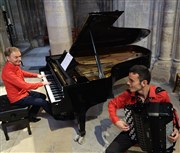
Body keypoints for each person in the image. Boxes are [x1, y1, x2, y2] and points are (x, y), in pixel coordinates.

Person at [105, 65, 180, 153]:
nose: (128, 83)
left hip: (155, 133)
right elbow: (112, 104)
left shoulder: (161, 95)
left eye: (131, 80)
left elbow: (171, 112)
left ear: (143, 83)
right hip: (133, 132)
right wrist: (116, 121)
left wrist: (176, 129)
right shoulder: (129, 94)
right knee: (110, 151)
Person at [1, 47, 52, 122]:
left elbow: (22, 72)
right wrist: (42, 83)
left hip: (23, 92)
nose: (19, 59)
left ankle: (31, 115)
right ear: (8, 58)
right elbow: (25, 86)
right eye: (16, 57)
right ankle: (58, 116)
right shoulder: (8, 72)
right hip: (17, 98)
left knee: (43, 96)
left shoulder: (14, 65)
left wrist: (37, 75)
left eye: (20, 56)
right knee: (43, 102)